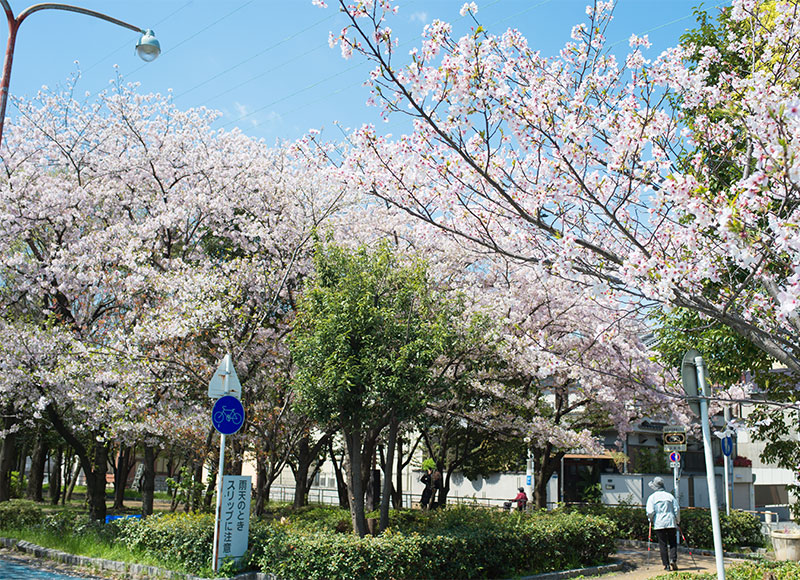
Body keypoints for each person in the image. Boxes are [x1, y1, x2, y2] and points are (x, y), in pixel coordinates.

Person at [646, 476, 680, 571]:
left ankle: (666, 565)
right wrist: (678, 520)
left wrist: (650, 519)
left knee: (663, 544)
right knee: (673, 542)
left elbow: (650, 512)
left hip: (659, 523)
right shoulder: (670, 496)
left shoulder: (652, 498)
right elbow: (676, 509)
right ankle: (673, 559)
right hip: (670, 521)